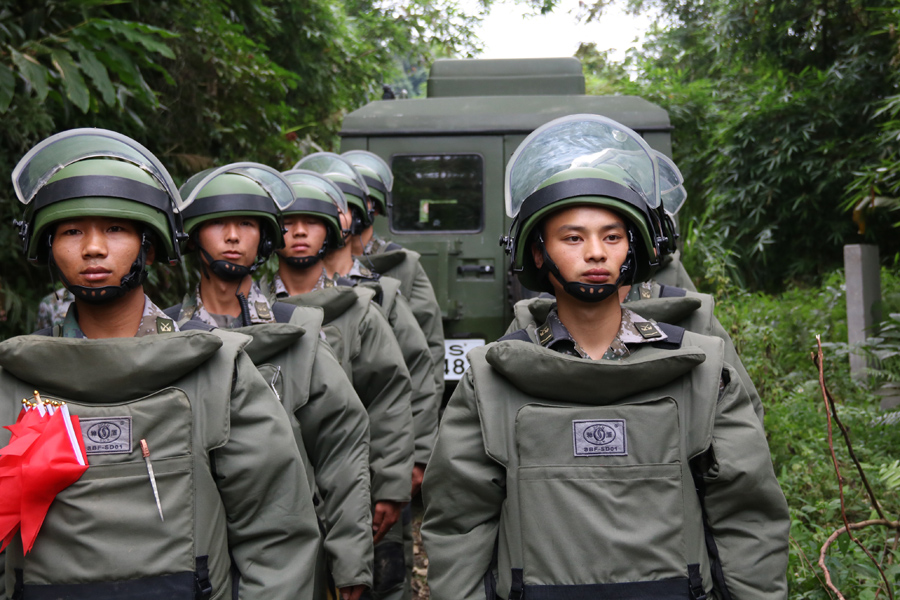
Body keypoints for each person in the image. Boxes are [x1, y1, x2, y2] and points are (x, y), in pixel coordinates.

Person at [421, 115, 790, 600]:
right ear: (537, 252)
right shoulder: (491, 377)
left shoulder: (702, 365)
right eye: (573, 238)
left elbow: (746, 511)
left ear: (631, 250)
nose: (595, 253)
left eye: (612, 237)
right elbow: (459, 521)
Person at [0, 129, 320, 599]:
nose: (92, 248)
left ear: (149, 247)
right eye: (71, 231)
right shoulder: (14, 382)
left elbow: (275, 530)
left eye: (115, 229)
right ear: (49, 248)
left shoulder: (218, 370)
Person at [165, 163, 373, 600]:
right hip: (187, 552)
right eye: (218, 223)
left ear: (264, 237)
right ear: (193, 235)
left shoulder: (296, 332)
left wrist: (350, 560)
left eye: (246, 224)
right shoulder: (161, 340)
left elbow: (341, 445)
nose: (234, 236)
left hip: (293, 552)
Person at [261, 168, 415, 600]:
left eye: (311, 223)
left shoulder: (356, 307)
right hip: (279, 491)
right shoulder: (255, 311)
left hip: (355, 481)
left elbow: (389, 396)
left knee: (376, 582)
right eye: (287, 224)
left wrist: (391, 483)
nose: (298, 234)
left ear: (330, 231)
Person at [341, 151, 446, 406]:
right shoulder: (317, 267)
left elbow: (429, 348)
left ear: (374, 206)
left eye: (358, 200)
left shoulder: (402, 264)